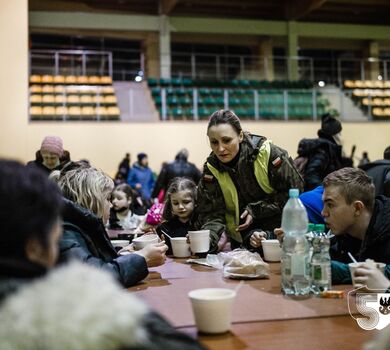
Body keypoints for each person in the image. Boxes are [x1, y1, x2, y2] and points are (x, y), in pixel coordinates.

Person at [0, 160, 205, 350]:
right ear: (34, 247)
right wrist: (139, 258)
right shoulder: (77, 308)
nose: (112, 204)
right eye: (108, 198)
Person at [195, 109, 303, 253]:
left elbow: (294, 194)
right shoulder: (211, 169)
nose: (220, 149)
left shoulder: (268, 153)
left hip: (278, 238)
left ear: (240, 135)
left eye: (227, 140)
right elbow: (212, 214)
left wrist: (255, 210)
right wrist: (209, 239)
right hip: (241, 243)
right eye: (214, 142)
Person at [52, 163, 168, 287]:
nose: (111, 204)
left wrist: (121, 256)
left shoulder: (74, 224)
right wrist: (142, 258)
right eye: (108, 198)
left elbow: (92, 262)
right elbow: (91, 279)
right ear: (92, 201)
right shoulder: (65, 231)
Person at [321, 168, 390, 284]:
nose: (323, 212)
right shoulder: (344, 231)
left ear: (357, 208)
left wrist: (344, 271)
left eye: (330, 205)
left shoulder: (386, 228)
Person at [296, 113, 344, 191]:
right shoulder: (323, 151)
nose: (341, 136)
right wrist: (326, 191)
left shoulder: (326, 149)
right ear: (334, 135)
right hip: (317, 195)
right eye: (339, 133)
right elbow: (311, 175)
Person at [156, 177, 197, 255]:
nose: (180, 207)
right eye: (175, 203)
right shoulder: (164, 228)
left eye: (186, 202)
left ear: (195, 201)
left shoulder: (202, 226)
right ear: (170, 204)